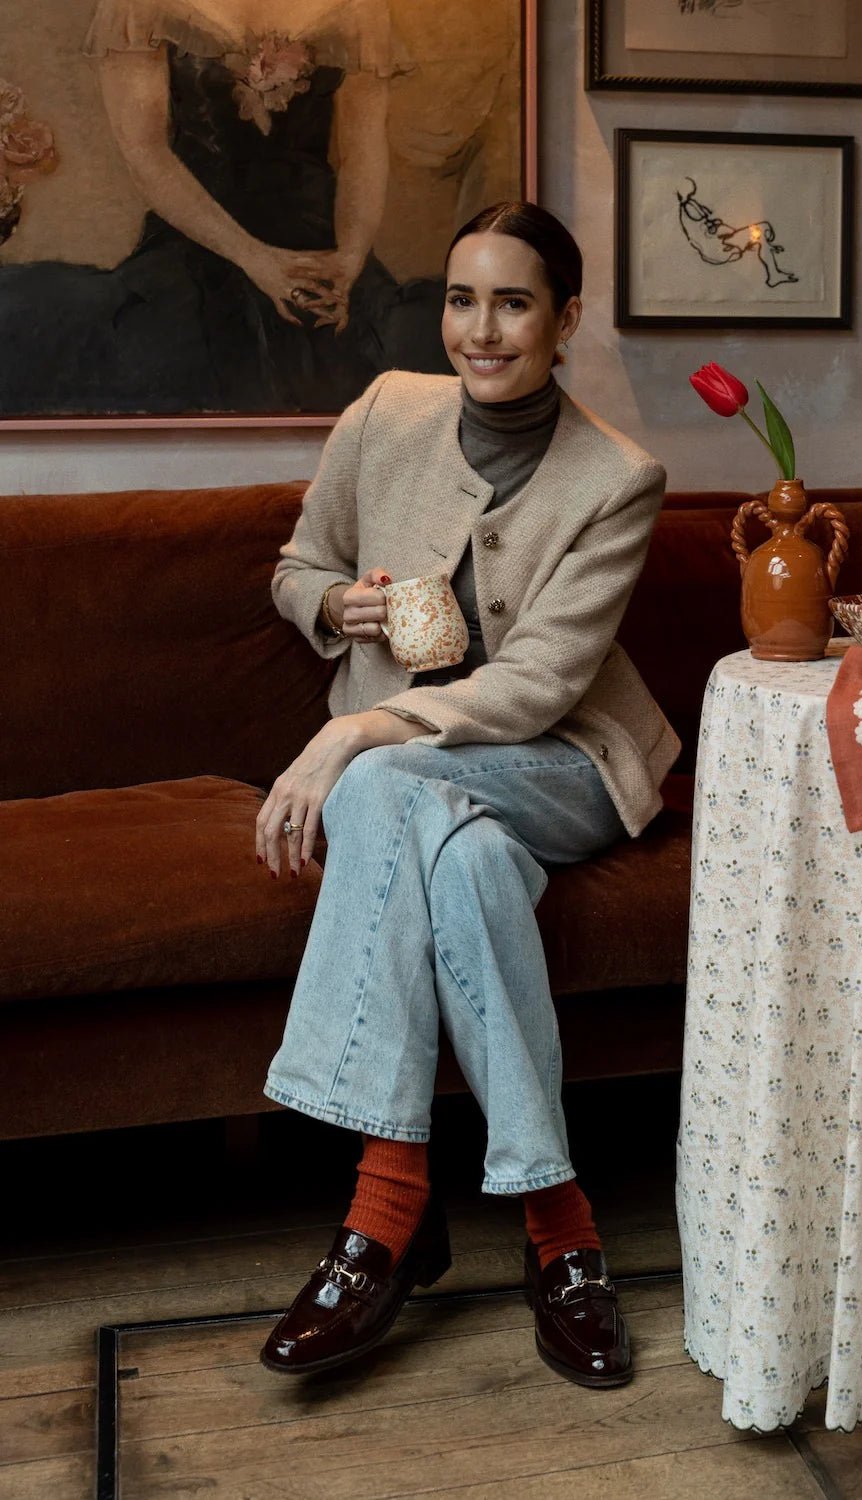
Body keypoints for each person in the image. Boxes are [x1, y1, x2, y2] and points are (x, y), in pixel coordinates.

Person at [255, 201, 680, 1387]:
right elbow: (301, 564)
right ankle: (562, 1230)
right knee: (471, 862)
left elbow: (543, 684)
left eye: (511, 302)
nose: (479, 329)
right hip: (424, 780)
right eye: (460, 299)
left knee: (384, 782)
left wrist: (347, 738)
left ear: (564, 321)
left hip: (563, 762)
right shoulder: (385, 415)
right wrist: (329, 606)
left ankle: (383, 1212)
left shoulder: (618, 477)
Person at [0, 0, 447, 416]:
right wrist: (255, 259)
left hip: (321, 246)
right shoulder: (140, 7)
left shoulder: (357, 8)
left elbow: (362, 155)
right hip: (198, 243)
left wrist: (349, 258)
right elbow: (146, 153)